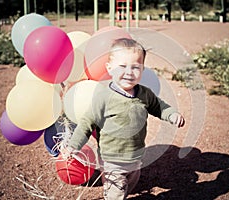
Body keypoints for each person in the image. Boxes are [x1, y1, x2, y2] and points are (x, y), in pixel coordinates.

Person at [64, 38, 185, 200]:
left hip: (135, 157)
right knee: (116, 194)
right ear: (110, 68)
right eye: (122, 66)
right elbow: (86, 123)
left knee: (130, 184)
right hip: (111, 160)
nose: (129, 72)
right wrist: (73, 146)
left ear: (143, 69)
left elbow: (159, 107)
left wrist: (171, 114)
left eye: (136, 67)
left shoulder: (145, 94)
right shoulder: (103, 97)